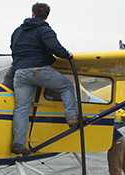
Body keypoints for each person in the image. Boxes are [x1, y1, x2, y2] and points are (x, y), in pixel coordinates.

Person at [9, 3, 78, 154]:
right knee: (66, 86)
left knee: (21, 108)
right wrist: (68, 55)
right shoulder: (45, 30)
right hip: (39, 70)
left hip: (20, 72)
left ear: (32, 13)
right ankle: (72, 118)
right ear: (47, 15)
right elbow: (55, 48)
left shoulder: (18, 31)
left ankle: (18, 143)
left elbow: (13, 48)